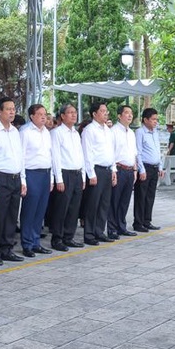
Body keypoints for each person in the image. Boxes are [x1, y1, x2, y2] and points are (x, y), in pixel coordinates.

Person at [0, 97, 26, 264]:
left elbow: (20, 157)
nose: (12, 112)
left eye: (13, 109)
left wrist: (23, 180)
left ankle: (7, 249)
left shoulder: (15, 131)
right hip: (0, 177)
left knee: (11, 216)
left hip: (15, 177)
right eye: (8, 109)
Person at [49, 104, 85, 252]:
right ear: (62, 116)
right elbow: (55, 157)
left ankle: (68, 237)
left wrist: (83, 176)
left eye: (75, 112)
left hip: (77, 173)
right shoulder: (57, 133)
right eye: (70, 113)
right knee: (61, 208)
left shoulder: (75, 133)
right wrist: (58, 179)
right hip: (64, 173)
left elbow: (80, 155)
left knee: (73, 208)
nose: (73, 115)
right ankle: (57, 238)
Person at [81, 102, 117, 246]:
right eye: (102, 111)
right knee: (93, 203)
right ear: (94, 114)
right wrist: (91, 173)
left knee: (104, 203)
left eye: (106, 111)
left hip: (107, 169)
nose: (106, 113)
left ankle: (99, 231)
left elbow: (111, 152)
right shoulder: (89, 130)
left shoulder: (108, 130)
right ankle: (89, 234)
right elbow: (87, 153)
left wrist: (114, 169)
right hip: (96, 170)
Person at [20, 104, 53, 256]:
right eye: (39, 114)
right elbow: (20, 157)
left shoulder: (46, 132)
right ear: (32, 116)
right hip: (31, 174)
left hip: (45, 174)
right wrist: (23, 180)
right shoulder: (25, 132)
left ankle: (36, 241)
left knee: (41, 210)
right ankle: (27, 243)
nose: (43, 116)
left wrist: (52, 177)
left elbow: (50, 156)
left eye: (44, 114)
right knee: (30, 210)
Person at [108, 105, 138, 239]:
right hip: (118, 169)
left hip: (130, 170)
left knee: (125, 201)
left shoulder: (131, 133)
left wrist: (135, 169)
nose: (130, 116)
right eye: (126, 113)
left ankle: (122, 226)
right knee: (114, 200)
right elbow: (111, 153)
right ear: (119, 116)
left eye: (131, 113)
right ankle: (112, 229)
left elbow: (134, 154)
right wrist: (113, 170)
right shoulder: (113, 131)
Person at [133, 108, 164, 232]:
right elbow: (138, 153)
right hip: (145, 167)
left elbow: (158, 151)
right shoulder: (140, 132)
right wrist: (141, 170)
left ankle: (147, 221)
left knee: (150, 196)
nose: (155, 122)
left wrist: (160, 166)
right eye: (153, 119)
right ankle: (138, 223)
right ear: (145, 120)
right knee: (141, 196)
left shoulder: (155, 133)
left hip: (155, 167)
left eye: (156, 119)